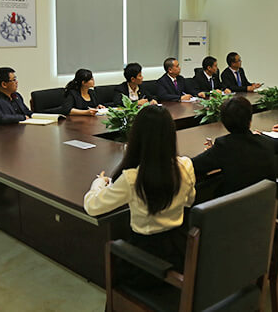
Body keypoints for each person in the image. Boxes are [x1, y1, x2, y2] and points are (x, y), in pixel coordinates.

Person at [84, 106, 196, 275]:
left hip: (144, 261)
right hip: (180, 251)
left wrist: (98, 182)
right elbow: (189, 201)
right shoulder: (186, 165)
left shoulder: (132, 178)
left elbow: (92, 206)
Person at [192, 96, 278, 197]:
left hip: (236, 205)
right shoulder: (267, 142)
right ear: (250, 119)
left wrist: (211, 152)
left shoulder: (223, 146)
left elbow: (193, 165)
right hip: (268, 203)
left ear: (224, 122)